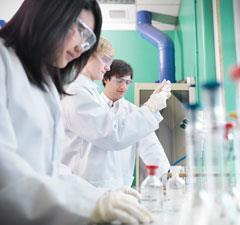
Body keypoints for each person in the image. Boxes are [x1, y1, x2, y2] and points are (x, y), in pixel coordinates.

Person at [0, 0, 152, 224]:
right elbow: (5, 170)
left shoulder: (46, 85)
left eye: (88, 38)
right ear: (48, 11)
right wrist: (87, 206)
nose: (81, 47)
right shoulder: (3, 61)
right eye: (80, 30)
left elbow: (50, 171)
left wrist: (99, 197)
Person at [63, 58, 170, 189]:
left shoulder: (134, 113)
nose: (124, 86)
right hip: (87, 184)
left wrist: (167, 179)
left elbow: (151, 148)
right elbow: (112, 134)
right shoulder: (90, 104)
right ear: (105, 79)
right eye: (119, 81)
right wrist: (150, 108)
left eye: (127, 82)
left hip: (120, 186)